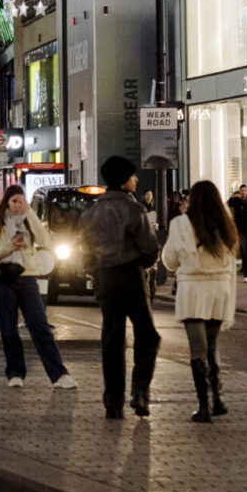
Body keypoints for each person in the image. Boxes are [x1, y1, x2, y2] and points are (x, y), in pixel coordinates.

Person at [80, 155, 160, 419]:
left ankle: (113, 401)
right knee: (147, 334)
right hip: (131, 275)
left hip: (105, 277)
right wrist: (143, 263)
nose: (136, 179)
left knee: (112, 339)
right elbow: (150, 248)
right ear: (124, 180)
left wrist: (97, 274)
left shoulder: (91, 213)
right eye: (133, 175)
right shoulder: (133, 209)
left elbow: (86, 253)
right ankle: (140, 391)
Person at [0, 187, 74, 389]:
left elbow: (45, 240)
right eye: (14, 201)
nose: (18, 205)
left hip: (28, 278)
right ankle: (15, 373)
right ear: (6, 202)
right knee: (8, 329)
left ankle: (59, 375)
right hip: (3, 279)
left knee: (40, 326)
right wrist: (10, 246)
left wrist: (29, 213)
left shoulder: (29, 222)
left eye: (22, 201)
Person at [160, 180, 237, 421]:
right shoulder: (226, 225)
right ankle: (218, 398)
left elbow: (170, 261)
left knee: (197, 349)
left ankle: (203, 406)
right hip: (219, 289)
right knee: (211, 346)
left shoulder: (180, 224)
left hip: (192, 290)